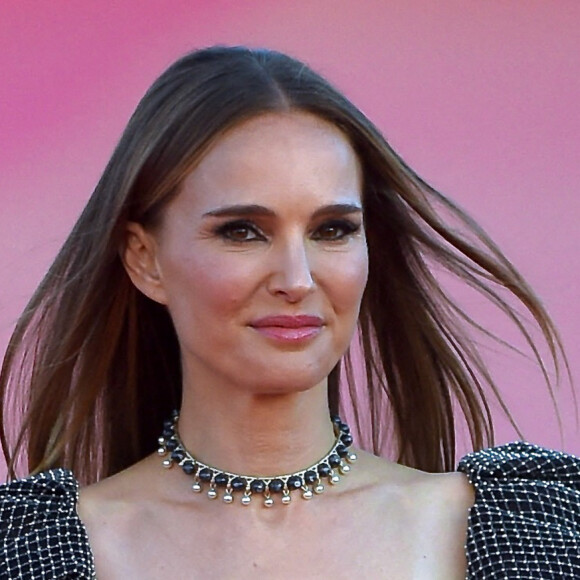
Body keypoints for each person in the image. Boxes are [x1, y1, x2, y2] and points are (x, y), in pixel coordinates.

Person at [0, 45, 578, 579]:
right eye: (243, 232)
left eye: (333, 230)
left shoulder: (535, 532)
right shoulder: (31, 554)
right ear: (146, 260)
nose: (297, 280)